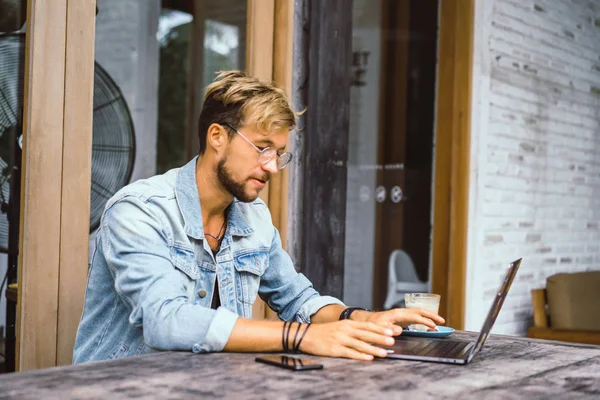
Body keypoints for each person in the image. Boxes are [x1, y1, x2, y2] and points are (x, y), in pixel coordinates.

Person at [73, 71, 444, 363]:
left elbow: (298, 300)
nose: (272, 167)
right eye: (262, 148)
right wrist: (304, 338)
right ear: (217, 136)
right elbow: (165, 320)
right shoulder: (140, 210)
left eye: (279, 153)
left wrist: (362, 319)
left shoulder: (254, 218)